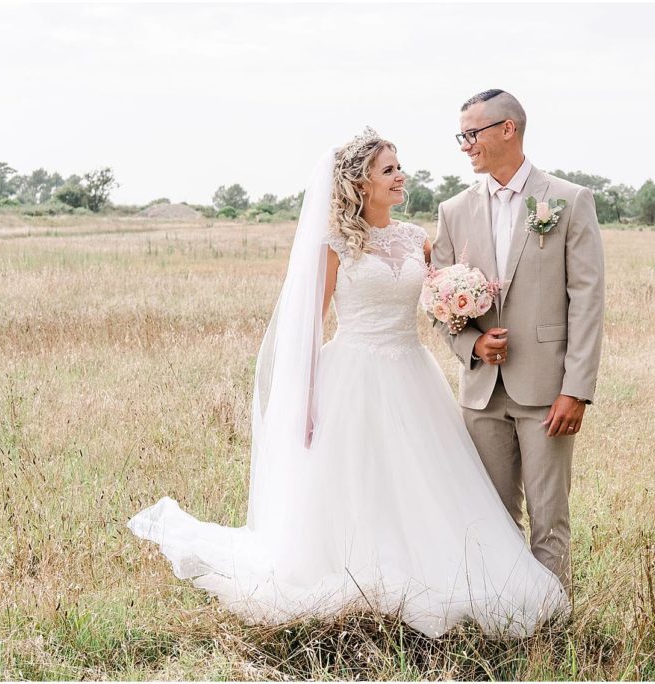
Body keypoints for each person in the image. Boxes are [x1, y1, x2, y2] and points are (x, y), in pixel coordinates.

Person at [128, 128, 568, 638]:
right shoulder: (334, 245)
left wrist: (462, 309)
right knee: (358, 479)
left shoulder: (415, 239)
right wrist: (306, 400)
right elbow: (308, 331)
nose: (401, 176)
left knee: (423, 477)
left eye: (400, 167)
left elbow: (438, 305)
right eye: (389, 170)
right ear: (361, 183)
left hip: (411, 373)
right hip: (352, 375)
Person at [432, 90, 606, 590]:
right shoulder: (453, 210)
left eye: (472, 133)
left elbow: (588, 301)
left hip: (548, 392)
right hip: (481, 394)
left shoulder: (569, 201)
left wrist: (577, 389)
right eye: (461, 135)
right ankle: (501, 619)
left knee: (549, 521)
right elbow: (439, 298)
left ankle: (551, 630)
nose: (465, 145)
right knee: (490, 517)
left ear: (508, 129)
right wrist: (471, 346)